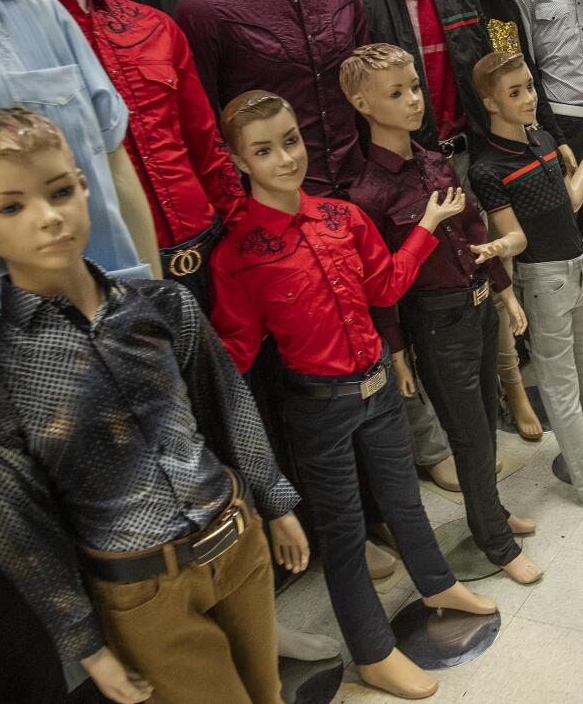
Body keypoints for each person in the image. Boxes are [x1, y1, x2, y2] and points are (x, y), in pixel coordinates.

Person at [0, 107, 309, 704]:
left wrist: (275, 500)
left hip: (237, 541)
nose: (49, 218)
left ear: (84, 183)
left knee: (268, 690)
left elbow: (228, 404)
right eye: (12, 206)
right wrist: (84, 642)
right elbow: (18, 528)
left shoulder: (162, 308)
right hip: (141, 589)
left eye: (60, 190)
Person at [207, 90, 496, 701]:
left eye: (289, 140)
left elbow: (386, 286)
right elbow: (234, 356)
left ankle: (437, 583)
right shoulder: (239, 256)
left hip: (379, 388)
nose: (284, 158)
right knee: (342, 534)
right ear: (239, 161)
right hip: (318, 405)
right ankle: (371, 651)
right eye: (264, 150)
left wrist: (422, 229)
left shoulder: (343, 218)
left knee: (405, 501)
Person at [343, 43, 544, 585]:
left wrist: (503, 292)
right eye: (396, 93)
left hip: (477, 306)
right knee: (471, 437)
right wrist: (399, 351)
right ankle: (495, 543)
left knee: (486, 424)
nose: (413, 101)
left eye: (414, 88)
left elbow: (476, 233)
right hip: (435, 323)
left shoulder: (435, 163)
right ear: (363, 104)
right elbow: (380, 285)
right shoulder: (370, 193)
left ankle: (493, 516)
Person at [468, 51, 583, 507]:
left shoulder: (543, 139)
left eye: (529, 87)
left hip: (580, 264)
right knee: (560, 385)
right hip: (544, 278)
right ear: (490, 103)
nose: (529, 97)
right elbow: (513, 235)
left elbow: (570, 202)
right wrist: (497, 249)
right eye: (515, 92)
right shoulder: (488, 168)